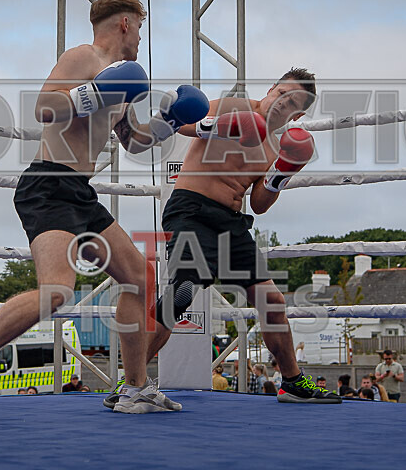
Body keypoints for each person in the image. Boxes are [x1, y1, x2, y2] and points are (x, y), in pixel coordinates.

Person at [0, 0, 208, 420]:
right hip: (48, 185)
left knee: (139, 276)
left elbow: (133, 142)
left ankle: (135, 388)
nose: (140, 36)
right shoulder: (84, 57)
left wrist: (167, 122)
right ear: (124, 24)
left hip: (81, 193)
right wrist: (94, 92)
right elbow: (45, 107)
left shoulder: (124, 80)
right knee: (57, 290)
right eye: (140, 26)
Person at [118, 68, 340, 405]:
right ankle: (133, 384)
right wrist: (216, 126)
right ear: (272, 88)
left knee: (273, 301)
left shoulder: (276, 147)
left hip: (232, 222)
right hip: (191, 208)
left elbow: (260, 204)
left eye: (292, 102)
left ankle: (292, 382)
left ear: (299, 113)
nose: (283, 103)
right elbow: (184, 122)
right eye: (282, 92)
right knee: (181, 294)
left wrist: (283, 171)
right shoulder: (232, 107)